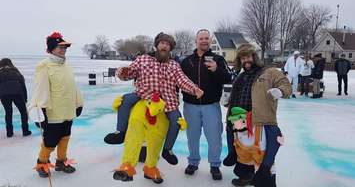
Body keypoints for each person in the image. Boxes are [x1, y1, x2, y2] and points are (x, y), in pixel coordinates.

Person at [105, 32, 204, 165]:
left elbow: (182, 80)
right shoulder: (143, 59)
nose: (164, 46)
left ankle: (167, 150)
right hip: (144, 95)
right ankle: (120, 132)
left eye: (168, 45)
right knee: (125, 100)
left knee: (176, 120)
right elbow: (131, 71)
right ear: (157, 45)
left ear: (170, 48)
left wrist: (194, 89)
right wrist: (123, 72)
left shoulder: (174, 65)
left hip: (167, 101)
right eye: (162, 43)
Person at [225, 44, 291, 187]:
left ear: (254, 57)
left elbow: (285, 84)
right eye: (242, 58)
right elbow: (238, 95)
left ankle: (266, 183)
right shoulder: (240, 76)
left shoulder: (269, 72)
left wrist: (280, 91)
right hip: (239, 120)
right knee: (243, 151)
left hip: (259, 120)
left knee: (262, 153)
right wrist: (228, 102)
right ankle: (247, 177)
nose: (245, 60)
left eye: (248, 57)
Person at [180, 29, 232, 180]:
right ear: (196, 41)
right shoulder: (187, 61)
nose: (204, 41)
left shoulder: (218, 59)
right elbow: (178, 81)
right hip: (190, 106)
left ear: (209, 41)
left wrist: (217, 69)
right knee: (192, 136)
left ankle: (215, 165)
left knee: (214, 137)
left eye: (206, 38)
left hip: (211, 106)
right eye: (201, 38)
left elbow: (228, 78)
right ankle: (193, 162)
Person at [30, 32, 83, 178]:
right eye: (59, 47)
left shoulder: (67, 66)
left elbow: (73, 87)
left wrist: (78, 103)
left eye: (64, 47)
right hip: (53, 112)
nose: (63, 50)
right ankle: (42, 162)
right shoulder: (44, 66)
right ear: (51, 49)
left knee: (65, 137)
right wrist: (39, 109)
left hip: (68, 110)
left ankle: (61, 161)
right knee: (50, 141)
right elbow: (40, 88)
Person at [0, 58, 31, 137]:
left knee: (8, 113)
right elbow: (23, 85)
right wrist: (25, 98)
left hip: (4, 95)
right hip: (17, 94)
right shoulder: (16, 71)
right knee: (23, 112)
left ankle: (9, 133)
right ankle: (25, 131)